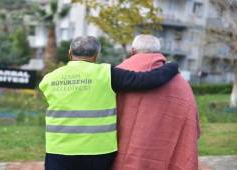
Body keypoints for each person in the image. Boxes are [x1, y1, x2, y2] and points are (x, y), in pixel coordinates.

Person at [39, 36, 179, 170]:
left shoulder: (49, 79)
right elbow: (149, 80)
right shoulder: (107, 74)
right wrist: (172, 66)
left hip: (59, 150)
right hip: (98, 151)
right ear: (96, 55)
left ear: (70, 53)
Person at [112, 35, 200, 170]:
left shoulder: (117, 73)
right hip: (162, 156)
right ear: (158, 52)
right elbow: (191, 121)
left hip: (120, 153)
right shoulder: (180, 83)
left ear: (133, 51)